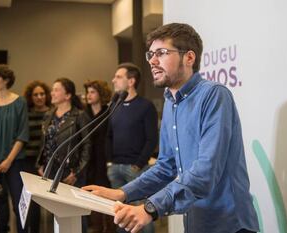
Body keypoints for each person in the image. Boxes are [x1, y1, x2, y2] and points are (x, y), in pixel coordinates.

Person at [83, 23, 260, 233]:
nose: (152, 61)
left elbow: (205, 172)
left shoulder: (214, 95)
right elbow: (166, 166)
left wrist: (150, 208)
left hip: (229, 224)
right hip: (196, 222)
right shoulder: (171, 102)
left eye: (162, 53)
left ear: (189, 58)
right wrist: (122, 193)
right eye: (151, 54)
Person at [106, 62, 158, 233]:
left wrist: (138, 164)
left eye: (118, 77)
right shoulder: (114, 106)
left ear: (131, 81)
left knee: (143, 215)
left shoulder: (146, 106)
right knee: (120, 216)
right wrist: (109, 162)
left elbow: (152, 139)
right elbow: (109, 135)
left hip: (136, 169)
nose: (114, 80)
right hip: (115, 168)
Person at [37, 78, 91, 233]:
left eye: (56, 90)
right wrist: (40, 164)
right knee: (57, 213)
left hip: (71, 171)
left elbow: (87, 146)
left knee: (77, 213)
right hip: (50, 170)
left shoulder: (79, 115)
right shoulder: (48, 115)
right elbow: (45, 142)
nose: (52, 93)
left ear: (68, 95)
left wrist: (77, 172)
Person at [0, 64, 29, 233]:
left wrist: (8, 161)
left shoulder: (19, 102)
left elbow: (22, 134)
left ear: (5, 79)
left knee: (18, 204)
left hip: (15, 162)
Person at [84, 80, 115, 233]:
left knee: (108, 194)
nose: (88, 95)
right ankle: (96, 228)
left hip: (105, 158)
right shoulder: (84, 113)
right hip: (89, 160)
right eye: (87, 92)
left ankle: (110, 228)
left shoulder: (109, 112)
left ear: (100, 94)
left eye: (92, 92)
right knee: (92, 196)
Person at [23, 80, 52, 233]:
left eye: (42, 94)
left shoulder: (53, 112)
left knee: (51, 200)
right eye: (35, 94)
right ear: (31, 97)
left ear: (47, 95)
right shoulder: (26, 115)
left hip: (48, 162)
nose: (39, 97)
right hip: (28, 162)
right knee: (32, 200)